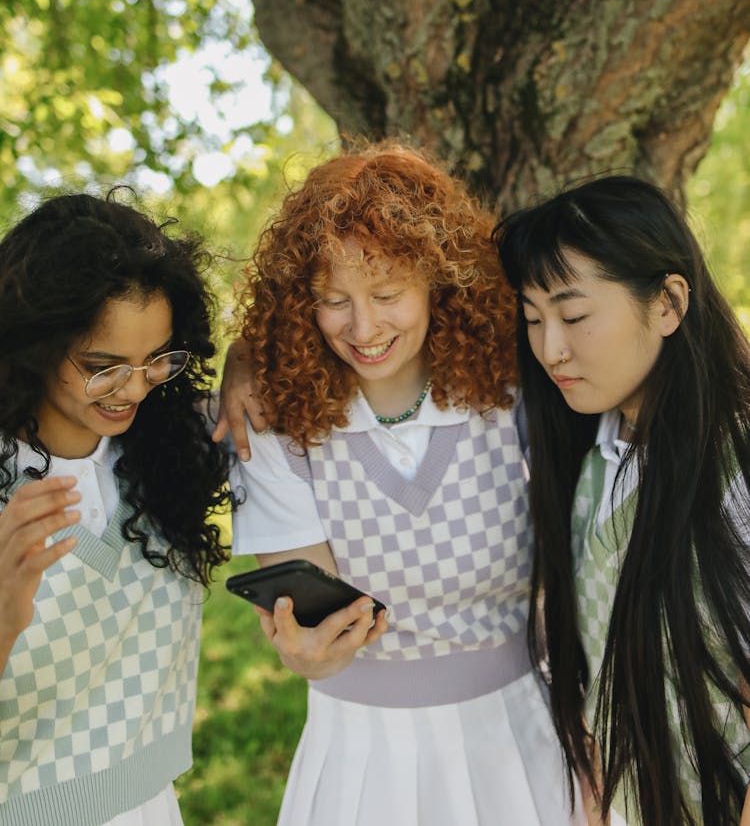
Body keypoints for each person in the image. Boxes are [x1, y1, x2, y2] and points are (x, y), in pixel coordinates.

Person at [227, 141, 582, 826]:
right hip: (360, 754)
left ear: (438, 279)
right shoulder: (275, 420)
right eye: (334, 300)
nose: (363, 328)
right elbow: (315, 616)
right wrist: (310, 655)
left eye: (387, 293)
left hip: (514, 739)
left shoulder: (514, 392)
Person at [495, 175, 750, 826]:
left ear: (667, 302)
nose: (551, 348)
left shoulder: (733, 467)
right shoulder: (591, 461)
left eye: (574, 315)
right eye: (533, 319)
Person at [0, 192, 235, 826]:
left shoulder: (171, 452)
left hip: (151, 807)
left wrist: (247, 368)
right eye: (103, 368)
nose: (134, 388)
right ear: (37, 344)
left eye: (157, 359)